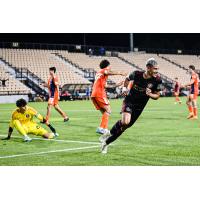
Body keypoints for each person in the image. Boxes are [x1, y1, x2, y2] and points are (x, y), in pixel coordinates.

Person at [100, 58, 162, 154]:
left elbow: (157, 95)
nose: (156, 71)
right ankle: (109, 133)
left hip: (140, 107)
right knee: (125, 121)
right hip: (129, 101)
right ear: (148, 68)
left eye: (157, 69)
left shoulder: (158, 80)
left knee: (124, 127)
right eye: (155, 69)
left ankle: (106, 143)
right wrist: (124, 88)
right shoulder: (136, 74)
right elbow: (127, 79)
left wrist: (150, 94)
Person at [91, 59, 126, 135]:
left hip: (94, 94)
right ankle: (101, 128)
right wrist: (120, 73)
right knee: (108, 110)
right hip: (99, 93)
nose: (110, 68)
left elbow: (106, 86)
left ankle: (104, 128)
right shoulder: (104, 70)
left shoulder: (99, 74)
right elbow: (107, 72)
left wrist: (117, 85)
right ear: (107, 66)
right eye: (109, 66)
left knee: (104, 112)